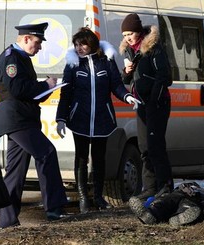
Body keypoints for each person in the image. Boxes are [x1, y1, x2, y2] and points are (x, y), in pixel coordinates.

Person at [0, 22, 68, 228]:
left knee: (16, 170)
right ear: (26, 39)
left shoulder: (21, 58)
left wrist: (46, 89)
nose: (40, 47)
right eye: (37, 42)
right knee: (46, 152)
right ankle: (54, 208)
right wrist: (46, 85)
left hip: (21, 118)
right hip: (17, 119)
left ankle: (7, 221)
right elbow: (17, 89)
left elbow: (27, 91)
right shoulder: (11, 58)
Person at [56, 27, 140, 213]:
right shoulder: (73, 64)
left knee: (100, 158)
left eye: (83, 44)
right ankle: (83, 198)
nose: (79, 48)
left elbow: (116, 85)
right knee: (81, 157)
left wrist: (127, 97)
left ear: (92, 44)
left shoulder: (106, 61)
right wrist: (61, 118)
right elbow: (65, 92)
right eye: (76, 45)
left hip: (103, 118)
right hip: (80, 119)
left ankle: (99, 197)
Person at [119, 13, 173, 206]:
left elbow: (165, 76)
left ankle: (165, 186)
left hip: (157, 104)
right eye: (125, 34)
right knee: (144, 147)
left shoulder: (153, 48)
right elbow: (126, 81)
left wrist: (154, 99)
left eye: (131, 33)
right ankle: (150, 187)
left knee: (155, 145)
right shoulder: (129, 51)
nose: (128, 37)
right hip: (141, 104)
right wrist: (127, 73)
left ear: (139, 31)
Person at [130, 181, 204, 227]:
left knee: (189, 205)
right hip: (185, 192)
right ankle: (151, 213)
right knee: (168, 201)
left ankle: (178, 217)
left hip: (200, 200)